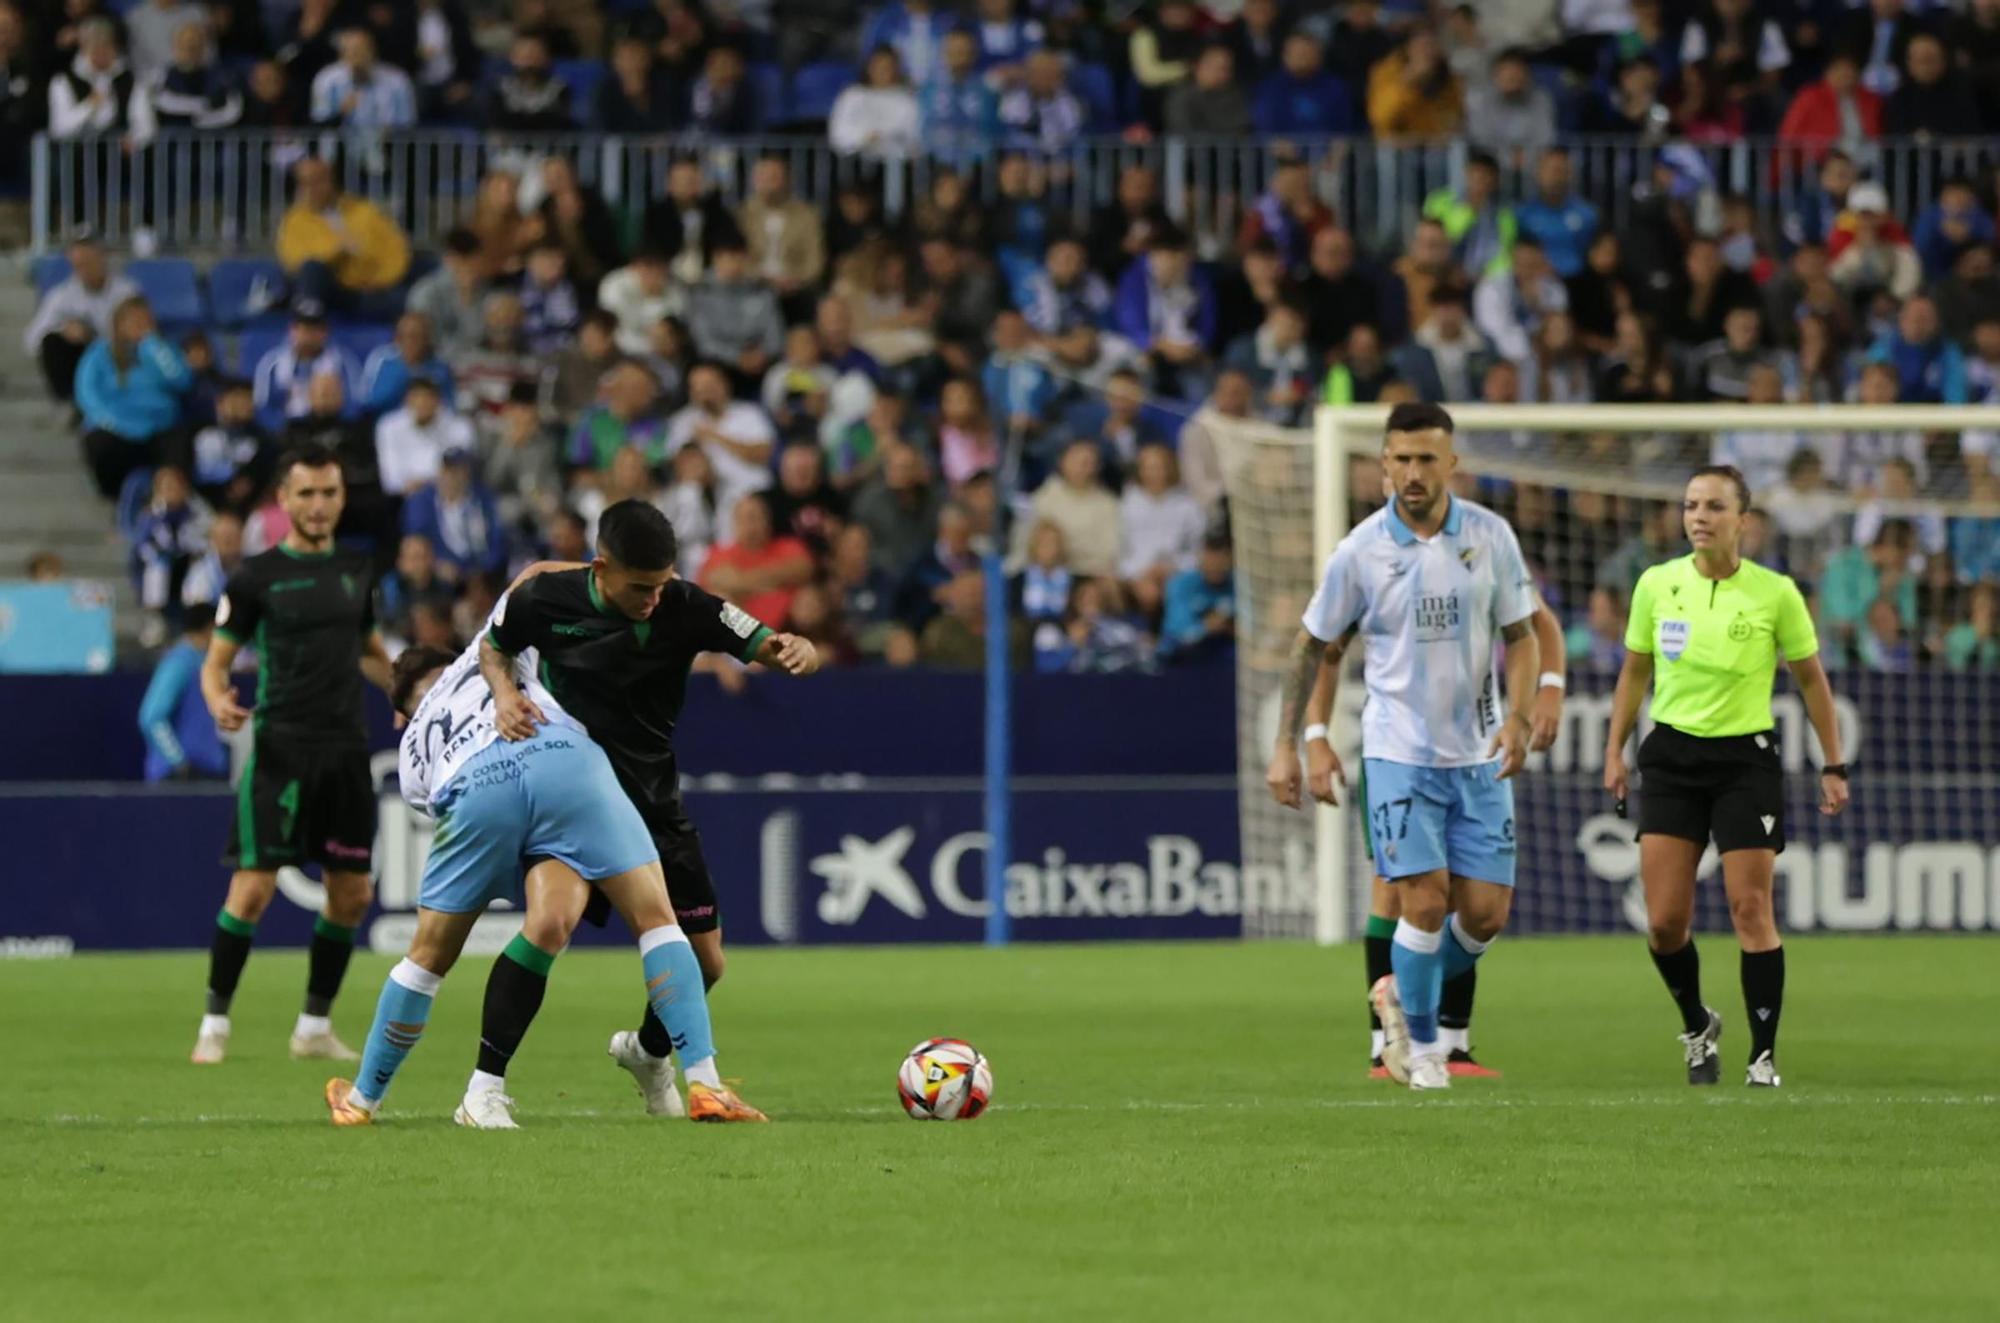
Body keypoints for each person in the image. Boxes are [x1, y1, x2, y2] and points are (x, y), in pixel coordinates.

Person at [324, 641, 768, 1128]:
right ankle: (705, 1084)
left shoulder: (410, 750)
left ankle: (365, 1100)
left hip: (474, 787)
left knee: (428, 956)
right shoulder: (491, 649)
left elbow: (437, 802)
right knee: (655, 920)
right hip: (563, 758)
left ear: (398, 716)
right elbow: (532, 585)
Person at [480, 501, 820, 1117]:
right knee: (550, 924)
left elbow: (771, 644)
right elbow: (495, 647)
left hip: (651, 798)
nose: (654, 599)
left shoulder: (689, 606)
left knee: (707, 960)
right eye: (641, 587)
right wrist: (505, 693)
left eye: (662, 584)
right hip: (572, 799)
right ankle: (484, 1089)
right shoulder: (546, 599)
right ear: (601, 567)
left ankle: (648, 1050)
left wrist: (798, 649)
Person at [1264, 402, 1540, 1091]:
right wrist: (1296, 742)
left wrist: (1523, 716)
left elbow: (1524, 635)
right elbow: (1314, 646)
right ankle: (1421, 1052)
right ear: (1383, 463)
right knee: (1421, 901)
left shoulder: (1490, 535)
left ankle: (1394, 990)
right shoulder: (1359, 551)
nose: (1414, 473)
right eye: (1402, 459)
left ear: (1451, 464)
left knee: (1484, 916)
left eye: (1427, 459)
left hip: (1479, 755)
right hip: (1398, 754)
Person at [1604, 465, 1849, 1089]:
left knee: (1750, 908)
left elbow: (1811, 679)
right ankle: (1697, 1025)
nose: (1698, 517)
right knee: (1663, 923)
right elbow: (1634, 673)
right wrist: (1614, 750)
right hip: (1672, 758)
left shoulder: (1776, 594)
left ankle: (1762, 1057)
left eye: (1714, 506)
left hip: (1745, 761)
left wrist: (1834, 761)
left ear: (1744, 521)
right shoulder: (1657, 585)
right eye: (1691, 505)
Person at [1292, 591, 1566, 1078]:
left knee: (1477, 905)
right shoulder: (1373, 560)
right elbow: (1325, 650)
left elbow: (1540, 624)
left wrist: (1550, 686)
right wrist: (1314, 736)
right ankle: (1387, 1047)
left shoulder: (1484, 551)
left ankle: (1446, 1037)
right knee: (1400, 895)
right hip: (1397, 759)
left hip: (1474, 757)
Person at [191, 443, 394, 1065]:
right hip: (280, 748)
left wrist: (411, 691)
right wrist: (217, 700)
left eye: (329, 493)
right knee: (251, 891)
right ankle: (214, 1026)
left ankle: (313, 1026)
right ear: (283, 500)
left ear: (341, 498)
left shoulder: (360, 571)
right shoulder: (255, 576)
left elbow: (368, 649)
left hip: (345, 751)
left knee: (352, 895)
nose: (318, 505)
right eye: (305, 494)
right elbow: (216, 662)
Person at [76, 295, 192, 499]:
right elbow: (87, 392)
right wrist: (111, 421)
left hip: (159, 428)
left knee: (180, 441)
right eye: (134, 320)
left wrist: (154, 346)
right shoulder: (99, 353)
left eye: (145, 320)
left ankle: (171, 499)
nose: (140, 325)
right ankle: (115, 497)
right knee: (97, 442)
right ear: (119, 324)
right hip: (118, 429)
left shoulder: (163, 349)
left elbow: (182, 380)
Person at [24, 234, 139, 404]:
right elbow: (31, 340)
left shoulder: (126, 292)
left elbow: (141, 334)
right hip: (79, 361)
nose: (84, 270)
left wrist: (95, 336)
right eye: (78, 265)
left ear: (102, 259)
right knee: (53, 341)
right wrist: (63, 330)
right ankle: (69, 402)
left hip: (115, 358)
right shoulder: (61, 295)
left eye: (89, 263)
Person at [137, 600, 229, 782]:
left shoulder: (206, 663)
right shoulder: (178, 663)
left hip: (208, 770)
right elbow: (152, 717)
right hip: (180, 778)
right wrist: (178, 762)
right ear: (210, 628)